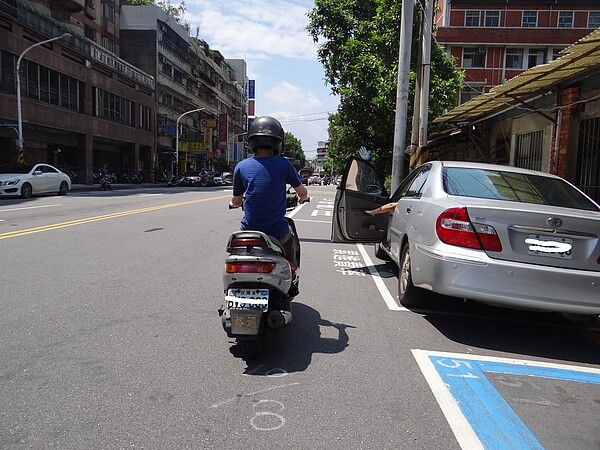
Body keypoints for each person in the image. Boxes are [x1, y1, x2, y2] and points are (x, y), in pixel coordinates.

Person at [230, 116, 309, 273]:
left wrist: (234, 204)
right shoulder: (284, 164)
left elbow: (237, 201)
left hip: (249, 230)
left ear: (252, 142)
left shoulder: (241, 167)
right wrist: (303, 198)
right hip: (277, 231)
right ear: (278, 142)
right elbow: (302, 192)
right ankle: (293, 273)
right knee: (291, 237)